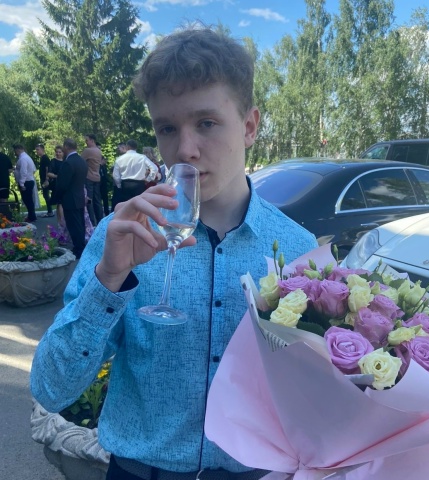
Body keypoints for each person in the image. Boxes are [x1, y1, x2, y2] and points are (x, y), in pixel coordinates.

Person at [30, 27, 318, 480]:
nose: (184, 149)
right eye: (167, 128)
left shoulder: (298, 249)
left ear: (249, 126)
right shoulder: (123, 235)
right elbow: (51, 388)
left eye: (206, 123)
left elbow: (311, 392)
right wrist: (109, 280)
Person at [54, 138, 88, 259]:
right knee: (80, 224)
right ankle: (80, 246)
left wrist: (57, 196)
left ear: (66, 147)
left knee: (74, 225)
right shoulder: (81, 161)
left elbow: (63, 184)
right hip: (79, 196)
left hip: (70, 198)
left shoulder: (68, 163)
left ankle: (79, 249)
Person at [112, 139, 160, 205]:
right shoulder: (142, 157)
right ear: (136, 147)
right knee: (140, 206)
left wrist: (119, 185)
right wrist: (148, 179)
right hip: (139, 184)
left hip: (125, 184)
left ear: (127, 147)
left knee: (127, 206)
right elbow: (154, 168)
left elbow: (115, 175)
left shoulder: (119, 159)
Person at [81, 134, 104, 226]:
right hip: (97, 177)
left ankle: (91, 222)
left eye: (87, 140)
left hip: (89, 178)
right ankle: (100, 221)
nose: (86, 142)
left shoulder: (88, 151)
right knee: (97, 200)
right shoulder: (98, 151)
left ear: (92, 140)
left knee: (89, 200)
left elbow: (80, 161)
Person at [12, 143, 37, 222]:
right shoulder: (27, 157)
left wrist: (22, 183)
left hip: (26, 182)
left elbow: (23, 172)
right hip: (29, 180)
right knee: (28, 199)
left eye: (15, 151)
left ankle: (31, 216)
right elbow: (33, 169)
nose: (15, 153)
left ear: (18, 150)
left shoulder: (23, 159)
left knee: (27, 200)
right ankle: (31, 215)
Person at [35, 143, 54, 217]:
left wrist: (46, 179)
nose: (37, 151)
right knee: (45, 195)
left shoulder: (45, 158)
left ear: (42, 149)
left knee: (46, 195)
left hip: (45, 179)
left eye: (38, 149)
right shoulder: (42, 158)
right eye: (36, 150)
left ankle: (50, 211)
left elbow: (47, 169)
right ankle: (49, 210)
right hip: (43, 179)